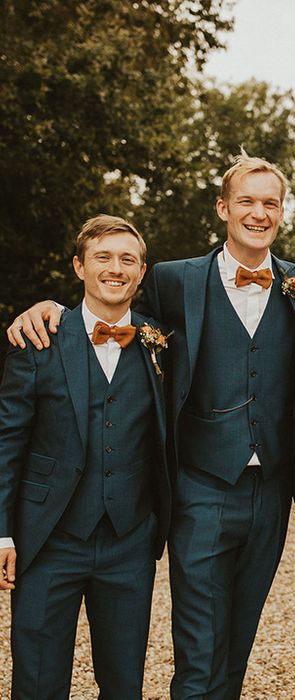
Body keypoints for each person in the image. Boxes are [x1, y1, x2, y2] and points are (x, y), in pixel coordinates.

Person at [7, 153, 295, 699]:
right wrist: (48, 309)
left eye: (270, 203)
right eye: (246, 202)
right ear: (223, 208)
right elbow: (114, 312)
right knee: (198, 645)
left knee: (239, 641)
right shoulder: (172, 280)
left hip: (274, 492)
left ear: (282, 211)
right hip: (201, 485)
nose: (258, 213)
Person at [0, 215, 171, 698]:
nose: (115, 269)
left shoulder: (163, 343)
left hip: (128, 541)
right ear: (79, 266)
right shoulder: (38, 339)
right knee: (36, 681)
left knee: (123, 683)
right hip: (47, 539)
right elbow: (7, 441)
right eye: (102, 257)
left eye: (127, 259)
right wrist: (1, 533)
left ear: (142, 272)